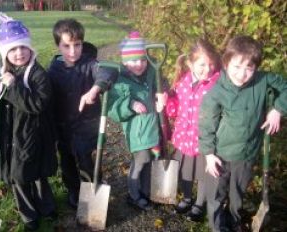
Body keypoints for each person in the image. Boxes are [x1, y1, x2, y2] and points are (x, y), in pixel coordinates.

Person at [198, 35, 287, 232]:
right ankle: (217, 226)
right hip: (219, 156)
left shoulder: (263, 80)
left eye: (249, 68)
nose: (242, 74)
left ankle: (234, 222)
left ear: (256, 68)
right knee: (216, 195)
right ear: (226, 63)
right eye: (237, 67)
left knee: (237, 195)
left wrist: (278, 109)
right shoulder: (217, 92)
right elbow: (206, 125)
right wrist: (209, 154)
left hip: (246, 155)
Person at [0, 13, 58, 231]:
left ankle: (47, 207)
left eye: (23, 47)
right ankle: (29, 215)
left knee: (39, 175)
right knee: (19, 177)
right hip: (9, 136)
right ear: (4, 53)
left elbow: (37, 104)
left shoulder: (38, 74)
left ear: (30, 48)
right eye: (12, 49)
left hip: (34, 135)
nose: (19, 53)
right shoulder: (0, 71)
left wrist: (14, 87)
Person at [47, 18, 117, 209]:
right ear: (58, 45)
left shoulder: (91, 63)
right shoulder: (53, 69)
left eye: (77, 45)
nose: (72, 51)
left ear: (82, 43)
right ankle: (73, 191)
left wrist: (95, 89)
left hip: (86, 128)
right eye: (66, 46)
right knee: (68, 165)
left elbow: (108, 72)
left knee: (87, 163)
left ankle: (93, 191)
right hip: (63, 129)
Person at [107, 31, 165, 211]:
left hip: (154, 129)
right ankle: (134, 194)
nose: (139, 64)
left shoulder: (152, 73)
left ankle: (146, 193)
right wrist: (130, 104)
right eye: (133, 61)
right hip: (137, 133)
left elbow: (162, 85)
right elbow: (113, 109)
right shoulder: (120, 81)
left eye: (142, 60)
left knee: (151, 161)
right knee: (141, 161)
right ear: (124, 61)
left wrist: (162, 94)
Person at [165, 39, 221, 222]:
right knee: (185, 171)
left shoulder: (218, 83)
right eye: (202, 64)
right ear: (190, 63)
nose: (208, 69)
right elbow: (175, 110)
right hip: (183, 136)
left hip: (204, 140)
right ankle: (187, 198)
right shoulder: (182, 81)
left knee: (204, 175)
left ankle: (199, 203)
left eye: (211, 64)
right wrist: (167, 103)